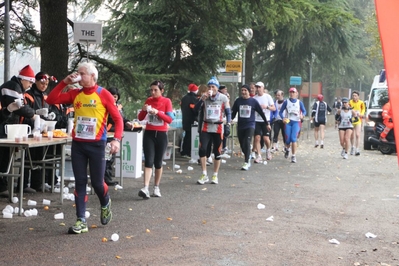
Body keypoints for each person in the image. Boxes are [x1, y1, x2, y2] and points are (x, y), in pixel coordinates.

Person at [46, 62, 123, 234]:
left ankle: (105, 202)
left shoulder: (104, 94)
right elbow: (51, 100)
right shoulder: (75, 93)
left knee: (97, 183)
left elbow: (118, 120)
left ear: (93, 76)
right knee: (80, 181)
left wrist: (116, 139)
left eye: (82, 73)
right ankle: (81, 220)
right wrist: (65, 82)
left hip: (97, 145)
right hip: (79, 144)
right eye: (77, 73)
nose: (78, 76)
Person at [0, 65, 38, 198]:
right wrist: (34, 115)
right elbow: (19, 107)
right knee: (3, 157)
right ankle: (2, 185)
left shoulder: (16, 87)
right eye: (30, 81)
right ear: (23, 80)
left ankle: (3, 185)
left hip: (7, 126)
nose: (30, 85)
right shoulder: (12, 86)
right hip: (4, 127)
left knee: (6, 157)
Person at [137, 80, 174, 198]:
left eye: (155, 90)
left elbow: (169, 119)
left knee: (158, 162)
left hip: (162, 134)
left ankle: (156, 187)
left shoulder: (166, 101)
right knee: (148, 160)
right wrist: (143, 110)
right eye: (151, 90)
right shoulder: (149, 100)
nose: (153, 92)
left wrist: (157, 112)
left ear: (162, 91)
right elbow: (140, 118)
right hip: (149, 133)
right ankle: (145, 188)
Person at [195, 76, 231, 184]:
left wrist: (228, 124)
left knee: (217, 152)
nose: (211, 88)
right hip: (206, 126)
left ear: (217, 88)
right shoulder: (204, 97)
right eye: (209, 86)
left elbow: (228, 112)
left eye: (213, 87)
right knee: (202, 149)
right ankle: (204, 174)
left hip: (218, 127)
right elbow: (195, 110)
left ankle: (215, 175)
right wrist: (202, 99)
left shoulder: (223, 98)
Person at [232, 84, 269, 170]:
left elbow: (261, 113)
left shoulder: (253, 101)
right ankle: (247, 155)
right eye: (242, 90)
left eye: (245, 90)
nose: (243, 92)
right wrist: (230, 119)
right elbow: (233, 112)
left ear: (249, 92)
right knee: (242, 144)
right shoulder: (238, 101)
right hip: (241, 125)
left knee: (247, 141)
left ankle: (246, 162)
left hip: (250, 125)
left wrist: (267, 123)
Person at [104, 87, 133, 186]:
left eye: (115, 96)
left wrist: (127, 122)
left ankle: (107, 177)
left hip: (115, 133)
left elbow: (122, 118)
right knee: (106, 157)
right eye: (112, 95)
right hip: (107, 132)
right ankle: (105, 178)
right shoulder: (105, 105)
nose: (113, 98)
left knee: (110, 157)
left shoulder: (119, 106)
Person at [279, 87, 306, 163]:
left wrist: (302, 115)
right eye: (290, 92)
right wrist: (283, 118)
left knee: (293, 139)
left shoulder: (299, 102)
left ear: (296, 93)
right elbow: (280, 112)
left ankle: (293, 156)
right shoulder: (286, 102)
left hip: (296, 122)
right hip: (288, 121)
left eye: (293, 92)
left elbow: (304, 111)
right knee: (287, 140)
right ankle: (287, 149)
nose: (292, 94)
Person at [253, 81, 275, 163]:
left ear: (263, 88)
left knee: (266, 138)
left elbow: (274, 108)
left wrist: (267, 107)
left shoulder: (267, 97)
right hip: (256, 120)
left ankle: (268, 150)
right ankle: (259, 156)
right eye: (257, 87)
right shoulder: (254, 98)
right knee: (257, 138)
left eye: (259, 87)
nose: (258, 89)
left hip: (266, 120)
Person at [180, 83, 199, 158]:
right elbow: (195, 109)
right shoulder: (194, 99)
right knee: (191, 137)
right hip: (192, 120)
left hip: (185, 119)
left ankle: (184, 151)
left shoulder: (184, 98)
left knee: (187, 136)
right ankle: (188, 152)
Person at [349, 91, 365, 156]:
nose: (354, 97)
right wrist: (352, 111)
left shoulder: (361, 102)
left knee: (358, 135)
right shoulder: (350, 102)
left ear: (358, 96)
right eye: (353, 95)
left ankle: (357, 149)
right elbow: (348, 108)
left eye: (355, 95)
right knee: (352, 135)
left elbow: (363, 109)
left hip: (358, 120)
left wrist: (361, 114)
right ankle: (352, 147)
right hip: (351, 120)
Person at [218, 85, 231, 152]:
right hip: (218, 117)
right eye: (224, 89)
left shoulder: (226, 96)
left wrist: (229, 121)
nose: (226, 90)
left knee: (225, 132)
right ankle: (219, 146)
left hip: (224, 116)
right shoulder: (217, 96)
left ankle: (224, 146)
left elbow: (228, 110)